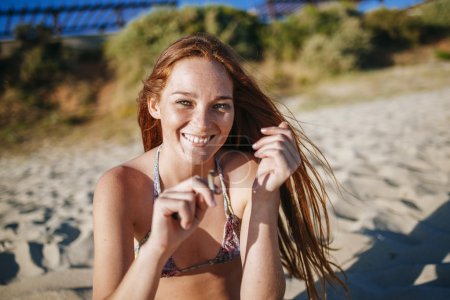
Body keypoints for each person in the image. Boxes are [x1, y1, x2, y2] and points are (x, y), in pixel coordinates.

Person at [93, 33, 346, 300]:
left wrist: (265, 196)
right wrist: (156, 248)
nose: (202, 123)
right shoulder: (120, 186)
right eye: (184, 102)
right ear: (154, 104)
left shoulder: (248, 174)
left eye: (220, 105)